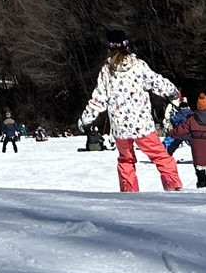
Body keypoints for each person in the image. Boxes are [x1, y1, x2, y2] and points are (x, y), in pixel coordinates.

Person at [79, 29, 184, 193]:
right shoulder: (138, 66)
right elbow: (157, 82)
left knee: (126, 160)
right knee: (160, 155)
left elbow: (98, 99)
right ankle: (172, 185)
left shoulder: (107, 71)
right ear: (127, 46)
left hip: (121, 128)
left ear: (110, 48)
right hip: (142, 125)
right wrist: (173, 92)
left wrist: (85, 119)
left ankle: (129, 192)